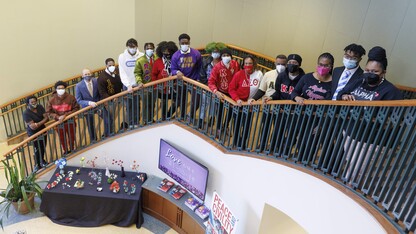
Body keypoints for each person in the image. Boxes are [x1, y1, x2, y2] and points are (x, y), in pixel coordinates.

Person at [338, 46, 403, 183]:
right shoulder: (359, 81)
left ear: (383, 72)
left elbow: (394, 118)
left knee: (357, 168)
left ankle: (348, 188)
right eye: (367, 70)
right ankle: (350, 186)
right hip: (351, 132)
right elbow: (341, 93)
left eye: (374, 71)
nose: (369, 73)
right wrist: (344, 96)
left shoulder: (391, 91)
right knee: (351, 162)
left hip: (372, 139)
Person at [290, 53, 334, 161]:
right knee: (301, 141)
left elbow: (331, 104)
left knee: (311, 142)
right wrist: (297, 98)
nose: (322, 67)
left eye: (326, 65)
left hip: (319, 119)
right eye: (320, 64)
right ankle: (299, 160)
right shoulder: (307, 77)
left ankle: (306, 162)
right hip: (303, 116)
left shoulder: (333, 83)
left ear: (331, 66)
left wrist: (322, 123)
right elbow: (294, 92)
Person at [260, 54, 305, 153]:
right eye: (289, 62)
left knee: (291, 133)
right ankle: (273, 149)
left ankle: (285, 151)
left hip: (294, 112)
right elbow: (278, 92)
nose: (291, 65)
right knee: (277, 131)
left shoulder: (303, 78)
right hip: (280, 109)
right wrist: (270, 97)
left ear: (299, 64)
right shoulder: (282, 76)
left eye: (294, 63)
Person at [228, 55, 263, 149]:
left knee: (246, 126)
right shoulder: (238, 74)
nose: (248, 65)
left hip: (250, 105)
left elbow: (262, 88)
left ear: (254, 64)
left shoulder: (259, 74)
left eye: (250, 63)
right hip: (238, 104)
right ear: (243, 64)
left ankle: (243, 145)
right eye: (246, 63)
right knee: (237, 125)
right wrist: (237, 99)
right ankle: (235, 143)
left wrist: (257, 99)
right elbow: (231, 88)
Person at [208, 48, 240, 138]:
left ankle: (226, 126)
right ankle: (218, 128)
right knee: (220, 111)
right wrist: (215, 91)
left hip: (232, 92)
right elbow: (211, 81)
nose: (226, 57)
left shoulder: (235, 64)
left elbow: (238, 77)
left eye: (228, 55)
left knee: (230, 110)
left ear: (231, 56)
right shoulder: (217, 67)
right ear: (221, 57)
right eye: (224, 55)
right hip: (221, 92)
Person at [170, 33, 202, 121]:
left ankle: (190, 115)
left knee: (197, 101)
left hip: (193, 81)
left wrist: (198, 79)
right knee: (182, 101)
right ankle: (183, 117)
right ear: (179, 43)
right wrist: (177, 72)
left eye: (186, 43)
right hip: (181, 81)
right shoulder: (175, 56)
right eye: (182, 43)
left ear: (189, 43)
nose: (184, 45)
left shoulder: (196, 53)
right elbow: (173, 68)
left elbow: (200, 67)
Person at [47, 80, 80, 154]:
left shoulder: (71, 98)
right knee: (62, 138)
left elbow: (76, 108)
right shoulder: (51, 100)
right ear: (56, 89)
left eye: (62, 88)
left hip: (70, 120)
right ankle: (65, 151)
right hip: (59, 122)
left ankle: (72, 148)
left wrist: (65, 115)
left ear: (65, 89)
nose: (61, 90)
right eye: (59, 88)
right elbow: (49, 112)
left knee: (72, 136)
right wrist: (58, 117)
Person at [199, 42, 227, 127]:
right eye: (213, 51)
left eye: (217, 51)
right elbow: (202, 75)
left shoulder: (223, 63)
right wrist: (207, 86)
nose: (215, 53)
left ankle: (211, 119)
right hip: (206, 86)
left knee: (213, 104)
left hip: (217, 89)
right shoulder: (206, 62)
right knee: (204, 103)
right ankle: (201, 119)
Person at [118, 38, 144, 127]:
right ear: (127, 47)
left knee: (137, 105)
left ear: (137, 46)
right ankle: (130, 123)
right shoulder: (122, 57)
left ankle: (136, 123)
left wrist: (140, 81)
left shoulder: (141, 55)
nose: (133, 48)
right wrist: (128, 85)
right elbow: (122, 72)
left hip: (138, 85)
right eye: (131, 47)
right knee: (129, 106)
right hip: (127, 86)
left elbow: (143, 70)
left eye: (134, 47)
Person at [152, 41, 179, 120]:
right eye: (164, 52)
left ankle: (168, 115)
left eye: (168, 52)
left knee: (177, 101)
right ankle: (163, 118)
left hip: (174, 87)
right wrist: (156, 85)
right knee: (163, 102)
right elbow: (153, 75)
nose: (167, 54)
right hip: (162, 88)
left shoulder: (175, 60)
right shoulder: (158, 62)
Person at [97, 58, 124, 135]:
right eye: (110, 65)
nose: (112, 66)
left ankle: (111, 132)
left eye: (113, 65)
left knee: (113, 117)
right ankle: (109, 133)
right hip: (108, 102)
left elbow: (120, 86)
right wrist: (110, 98)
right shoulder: (101, 77)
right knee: (110, 118)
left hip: (117, 99)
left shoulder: (116, 75)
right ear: (106, 66)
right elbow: (102, 92)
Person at [23, 95, 48, 171]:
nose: (34, 103)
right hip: (33, 134)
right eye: (32, 102)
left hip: (42, 130)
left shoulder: (40, 107)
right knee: (37, 149)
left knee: (43, 146)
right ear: (28, 104)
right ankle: (37, 164)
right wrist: (41, 122)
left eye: (35, 101)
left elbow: (47, 118)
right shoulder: (26, 113)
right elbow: (33, 127)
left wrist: (38, 124)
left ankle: (42, 160)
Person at [75, 68, 101, 141]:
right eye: (85, 74)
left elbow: (100, 92)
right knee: (90, 124)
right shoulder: (78, 86)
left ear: (91, 74)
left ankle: (108, 133)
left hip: (98, 104)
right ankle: (94, 139)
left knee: (107, 117)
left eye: (89, 74)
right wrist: (88, 103)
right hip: (87, 107)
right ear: (82, 76)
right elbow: (79, 100)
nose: (87, 75)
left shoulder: (96, 81)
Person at [134, 42, 157, 124]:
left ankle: (151, 119)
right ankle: (145, 120)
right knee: (146, 104)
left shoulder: (157, 58)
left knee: (152, 103)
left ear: (154, 49)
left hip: (155, 86)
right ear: (144, 50)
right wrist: (139, 82)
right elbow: (137, 73)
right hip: (145, 86)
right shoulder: (140, 60)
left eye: (151, 48)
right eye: (147, 48)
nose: (149, 50)